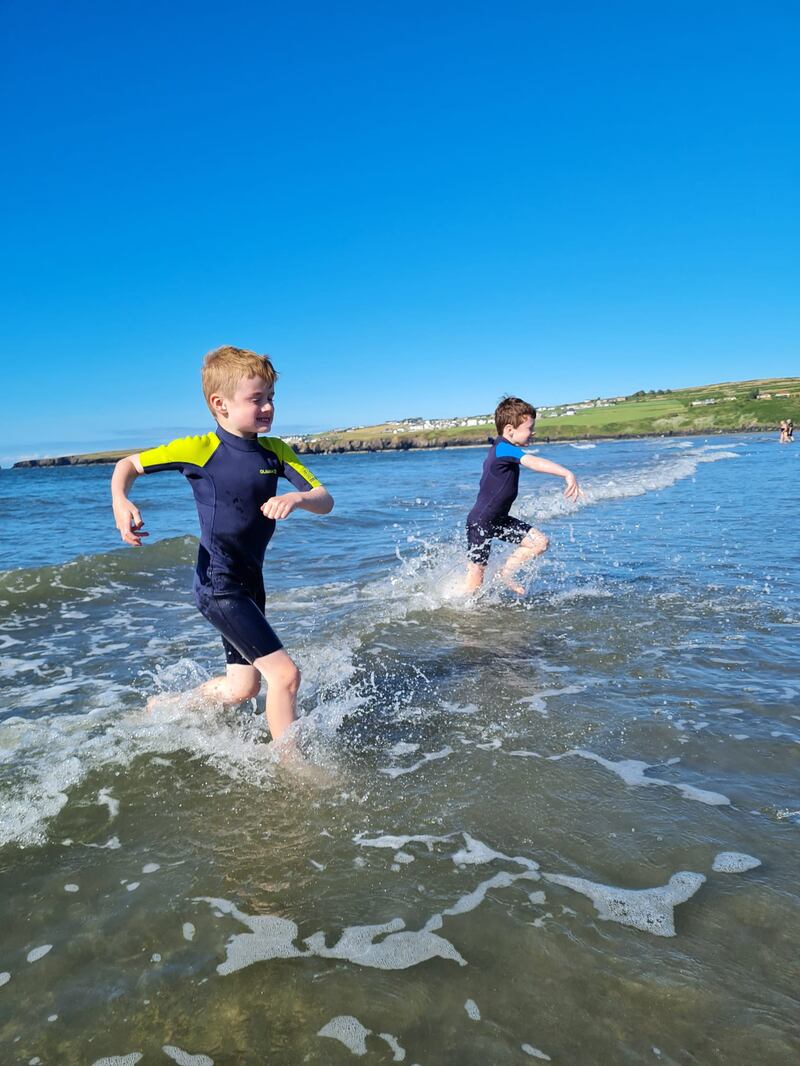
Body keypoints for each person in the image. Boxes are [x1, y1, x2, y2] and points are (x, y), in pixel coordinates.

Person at [110, 346, 334, 741]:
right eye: (256, 399)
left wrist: (297, 498)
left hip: (251, 585)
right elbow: (126, 465)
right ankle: (293, 768)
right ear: (220, 404)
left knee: (242, 688)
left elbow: (325, 499)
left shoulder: (276, 451)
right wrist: (121, 500)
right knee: (285, 676)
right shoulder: (199, 449)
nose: (267, 407)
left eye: (271, 398)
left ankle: (165, 709)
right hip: (219, 584)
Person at [464, 396, 581, 595]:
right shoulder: (503, 448)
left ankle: (504, 573)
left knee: (539, 543)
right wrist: (567, 473)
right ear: (510, 430)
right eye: (529, 428)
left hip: (499, 520)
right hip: (481, 521)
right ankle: (461, 612)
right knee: (476, 576)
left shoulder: (504, 448)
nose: (532, 432)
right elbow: (533, 462)